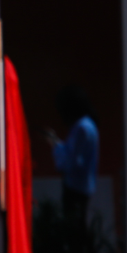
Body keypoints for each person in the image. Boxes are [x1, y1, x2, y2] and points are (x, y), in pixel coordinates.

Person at [47, 85, 99, 232]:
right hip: (82, 187)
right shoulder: (87, 125)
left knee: (75, 230)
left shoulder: (82, 128)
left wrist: (56, 147)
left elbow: (72, 162)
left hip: (76, 189)